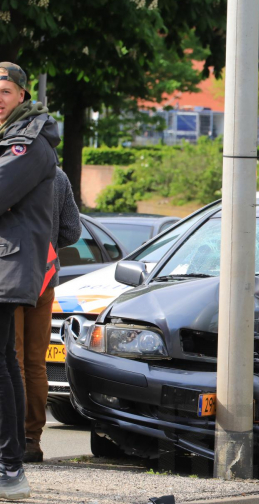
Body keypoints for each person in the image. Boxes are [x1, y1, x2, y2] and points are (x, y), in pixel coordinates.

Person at [0, 62, 59, 500]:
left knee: (12, 364)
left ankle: (10, 465)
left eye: (4, 90)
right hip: (10, 265)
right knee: (8, 362)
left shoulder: (28, 142)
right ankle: (11, 462)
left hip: (9, 266)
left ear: (21, 94)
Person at [16, 166, 80, 463]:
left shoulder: (9, 168)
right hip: (44, 277)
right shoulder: (58, 175)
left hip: (10, 277)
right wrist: (49, 244)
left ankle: (10, 438)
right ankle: (32, 438)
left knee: (10, 360)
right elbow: (73, 230)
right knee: (35, 362)